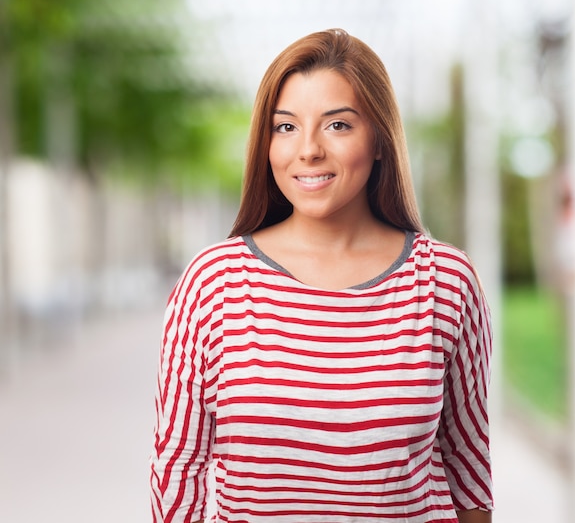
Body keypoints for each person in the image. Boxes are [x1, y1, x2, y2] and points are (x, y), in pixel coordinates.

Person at [150, 29, 494, 523]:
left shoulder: (445, 282)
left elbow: (470, 475)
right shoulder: (212, 283)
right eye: (285, 127)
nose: (307, 150)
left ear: (379, 140)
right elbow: (177, 471)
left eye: (336, 125)